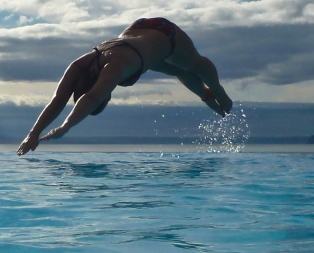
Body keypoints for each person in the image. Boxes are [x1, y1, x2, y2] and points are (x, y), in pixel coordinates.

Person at [16, 17, 232, 155]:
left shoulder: (115, 67)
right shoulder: (82, 64)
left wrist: (65, 127)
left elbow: (90, 98)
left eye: (106, 96)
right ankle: (205, 95)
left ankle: (218, 92)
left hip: (166, 35)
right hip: (138, 33)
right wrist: (32, 134)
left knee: (193, 64)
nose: (108, 94)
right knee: (177, 70)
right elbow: (58, 100)